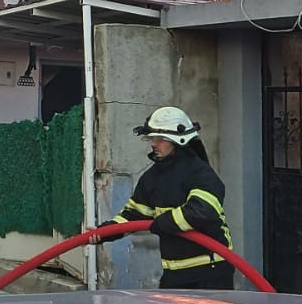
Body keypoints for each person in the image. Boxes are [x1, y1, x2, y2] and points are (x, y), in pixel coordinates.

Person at [93, 106, 234, 289]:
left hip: (209, 273)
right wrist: (104, 232)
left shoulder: (200, 173)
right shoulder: (152, 178)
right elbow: (134, 216)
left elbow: (201, 212)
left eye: (159, 139)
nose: (153, 144)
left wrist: (162, 222)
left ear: (177, 140)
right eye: (152, 138)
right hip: (174, 276)